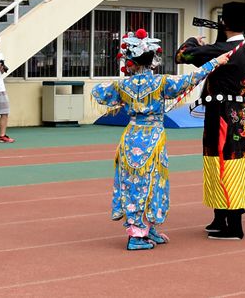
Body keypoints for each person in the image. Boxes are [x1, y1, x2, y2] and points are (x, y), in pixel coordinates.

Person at [93, 30, 232, 250]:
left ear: (130, 61)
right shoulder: (161, 82)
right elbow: (190, 79)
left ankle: (146, 228)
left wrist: (127, 101)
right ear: (152, 60)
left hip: (131, 137)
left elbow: (98, 92)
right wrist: (215, 62)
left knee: (135, 184)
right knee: (152, 183)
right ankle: (136, 235)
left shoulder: (123, 86)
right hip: (153, 138)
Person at [183, 1, 245, 241]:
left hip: (223, 116)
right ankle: (221, 218)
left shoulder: (221, 50)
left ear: (224, 22)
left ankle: (234, 226)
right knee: (234, 165)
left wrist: (194, 41)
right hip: (243, 116)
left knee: (224, 164)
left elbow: (182, 54)